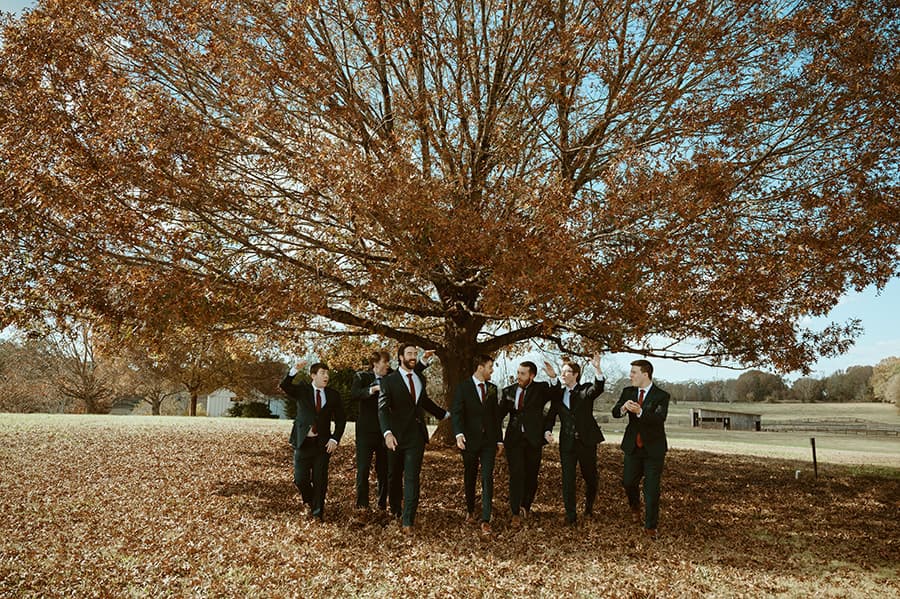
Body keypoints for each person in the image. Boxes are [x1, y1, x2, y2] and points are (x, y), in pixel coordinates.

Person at [378, 343, 449, 533]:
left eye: (415, 354)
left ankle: (408, 520)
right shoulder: (389, 381)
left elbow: (423, 401)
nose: (413, 356)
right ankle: (395, 511)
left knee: (412, 478)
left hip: (416, 437)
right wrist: (387, 433)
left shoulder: (419, 378)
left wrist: (445, 415)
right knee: (393, 477)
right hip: (395, 437)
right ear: (400, 357)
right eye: (409, 353)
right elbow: (383, 409)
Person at [350, 349, 431, 511]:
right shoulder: (362, 377)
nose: (388, 365)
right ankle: (362, 506)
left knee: (384, 470)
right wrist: (372, 390)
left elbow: (409, 374)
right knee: (363, 469)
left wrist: (422, 362)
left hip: (385, 432)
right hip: (366, 431)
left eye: (388, 362)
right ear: (375, 364)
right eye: (385, 362)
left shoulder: (391, 376)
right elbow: (354, 394)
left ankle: (381, 504)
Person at [543, 353, 605, 525]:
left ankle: (588, 509)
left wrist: (597, 368)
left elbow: (598, 388)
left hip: (586, 442)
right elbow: (550, 417)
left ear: (576, 374)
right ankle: (571, 516)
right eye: (562, 371)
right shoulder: (558, 395)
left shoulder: (585, 390)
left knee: (590, 477)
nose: (563, 374)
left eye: (567, 371)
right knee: (567, 479)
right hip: (567, 443)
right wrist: (547, 430)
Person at [280, 362, 346, 522]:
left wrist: (335, 439)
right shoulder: (302, 391)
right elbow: (285, 386)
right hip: (303, 442)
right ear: (313, 375)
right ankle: (309, 501)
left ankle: (317, 513)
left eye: (327, 374)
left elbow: (341, 420)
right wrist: (294, 370)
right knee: (300, 479)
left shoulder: (333, 395)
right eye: (322, 373)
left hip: (322, 444)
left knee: (320, 480)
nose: (326, 376)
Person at [612, 359, 670, 537]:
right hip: (632, 447)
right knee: (628, 482)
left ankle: (650, 526)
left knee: (651, 488)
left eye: (634, 372)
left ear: (645, 374)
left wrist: (641, 412)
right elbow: (615, 412)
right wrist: (623, 408)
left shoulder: (662, 395)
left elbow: (659, 419)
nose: (630, 376)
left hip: (653, 448)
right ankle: (635, 506)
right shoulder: (628, 391)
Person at [498, 359, 557, 525]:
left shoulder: (541, 389)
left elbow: (556, 395)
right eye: (518, 372)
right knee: (516, 474)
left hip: (533, 440)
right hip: (514, 440)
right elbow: (498, 415)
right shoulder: (508, 391)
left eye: (522, 374)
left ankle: (525, 506)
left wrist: (553, 377)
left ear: (532, 375)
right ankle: (515, 511)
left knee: (531, 476)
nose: (519, 376)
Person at [451, 354, 504, 534]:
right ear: (480, 367)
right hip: (469, 440)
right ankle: (470, 509)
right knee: (470, 475)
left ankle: (486, 518)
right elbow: (457, 413)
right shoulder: (463, 388)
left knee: (487, 477)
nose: (492, 370)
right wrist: (458, 434)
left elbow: (496, 417)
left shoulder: (492, 389)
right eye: (490, 367)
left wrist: (499, 439)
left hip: (488, 441)